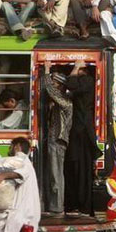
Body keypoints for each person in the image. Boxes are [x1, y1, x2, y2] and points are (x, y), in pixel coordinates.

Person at [64, 60, 100, 217]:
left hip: (82, 131)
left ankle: (82, 205)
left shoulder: (87, 81)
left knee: (81, 169)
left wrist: (76, 67)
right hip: (81, 131)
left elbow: (70, 84)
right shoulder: (86, 83)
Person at [43, 62, 73, 216]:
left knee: (56, 175)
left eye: (55, 83)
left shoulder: (65, 102)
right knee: (53, 174)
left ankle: (57, 207)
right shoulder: (58, 102)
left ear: (60, 86)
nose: (53, 86)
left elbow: (49, 90)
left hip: (58, 140)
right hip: (54, 140)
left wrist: (47, 71)